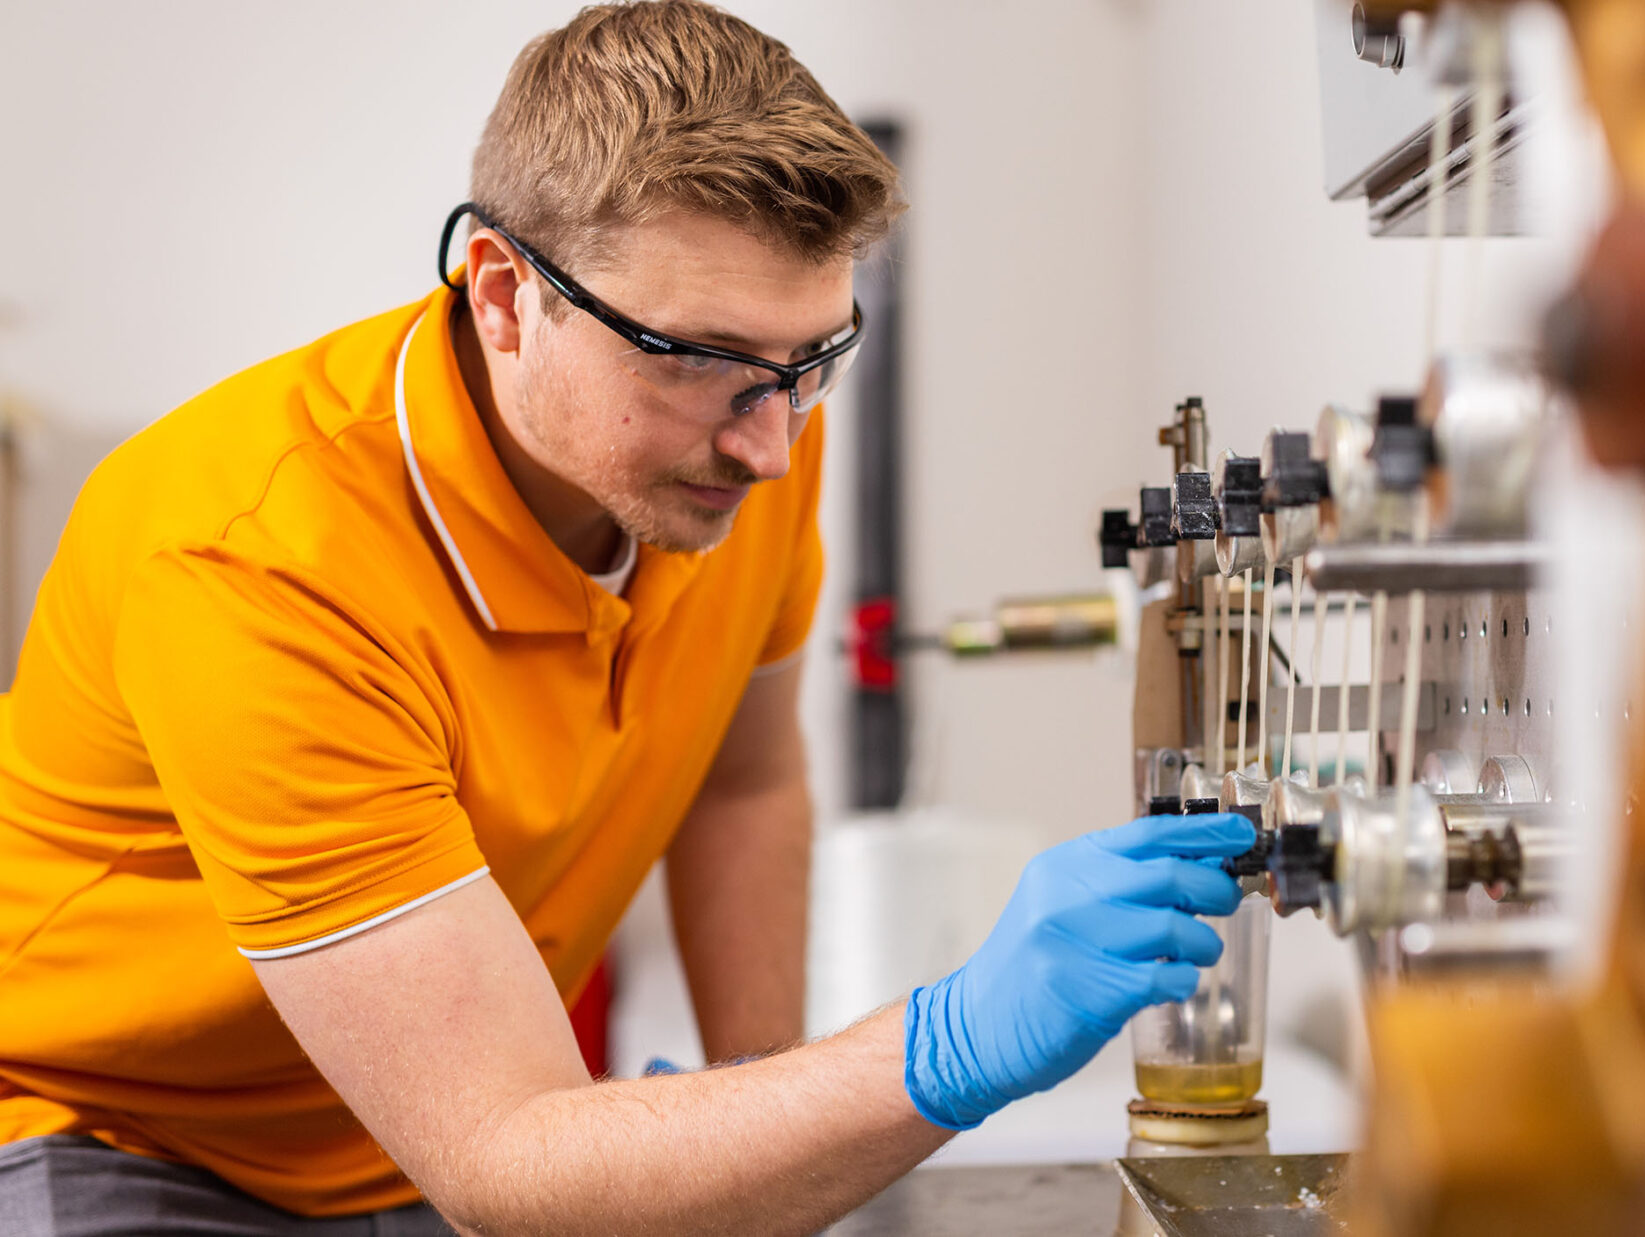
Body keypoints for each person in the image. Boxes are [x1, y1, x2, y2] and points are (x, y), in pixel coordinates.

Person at [0, 3, 1252, 1233]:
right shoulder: (254, 564)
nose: (770, 445)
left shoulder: (741, 433)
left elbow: (742, 780)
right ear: (501, 294)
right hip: (118, 1126)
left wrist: (760, 1115)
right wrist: (947, 1045)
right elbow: (500, 1159)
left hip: (425, 1134)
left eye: (815, 362)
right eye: (693, 356)